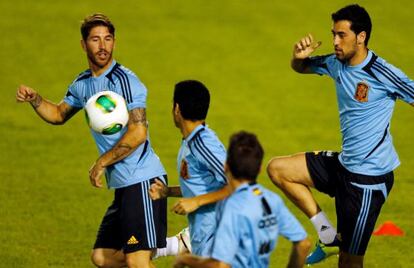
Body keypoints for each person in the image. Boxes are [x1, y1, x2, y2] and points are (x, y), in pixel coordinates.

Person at [16, 13, 176, 268]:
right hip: (123, 185)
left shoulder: (126, 82)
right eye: (95, 40)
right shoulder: (82, 84)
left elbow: (138, 132)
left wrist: (102, 162)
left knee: (137, 262)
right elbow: (58, 114)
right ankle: (173, 246)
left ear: (114, 42)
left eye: (108, 39)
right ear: (83, 45)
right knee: (102, 256)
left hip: (143, 181)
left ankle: (170, 247)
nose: (103, 46)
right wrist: (35, 99)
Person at [267, 4, 414, 267]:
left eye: (341, 35)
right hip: (344, 166)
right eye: (333, 34)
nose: (335, 41)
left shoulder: (382, 73)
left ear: (361, 37)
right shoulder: (335, 63)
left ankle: (338, 245)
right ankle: (327, 234)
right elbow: (301, 68)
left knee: (349, 262)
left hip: (367, 180)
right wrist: (297, 57)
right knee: (278, 169)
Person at [174, 131, 311, 268]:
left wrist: (186, 260)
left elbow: (220, 265)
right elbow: (303, 244)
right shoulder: (271, 200)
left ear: (226, 166)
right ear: (259, 169)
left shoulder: (230, 207)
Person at [149, 80, 231, 257]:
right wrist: (168, 192)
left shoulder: (203, 144)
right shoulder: (192, 141)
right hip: (203, 236)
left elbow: (239, 185)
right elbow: (204, 186)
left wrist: (196, 202)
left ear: (177, 109)